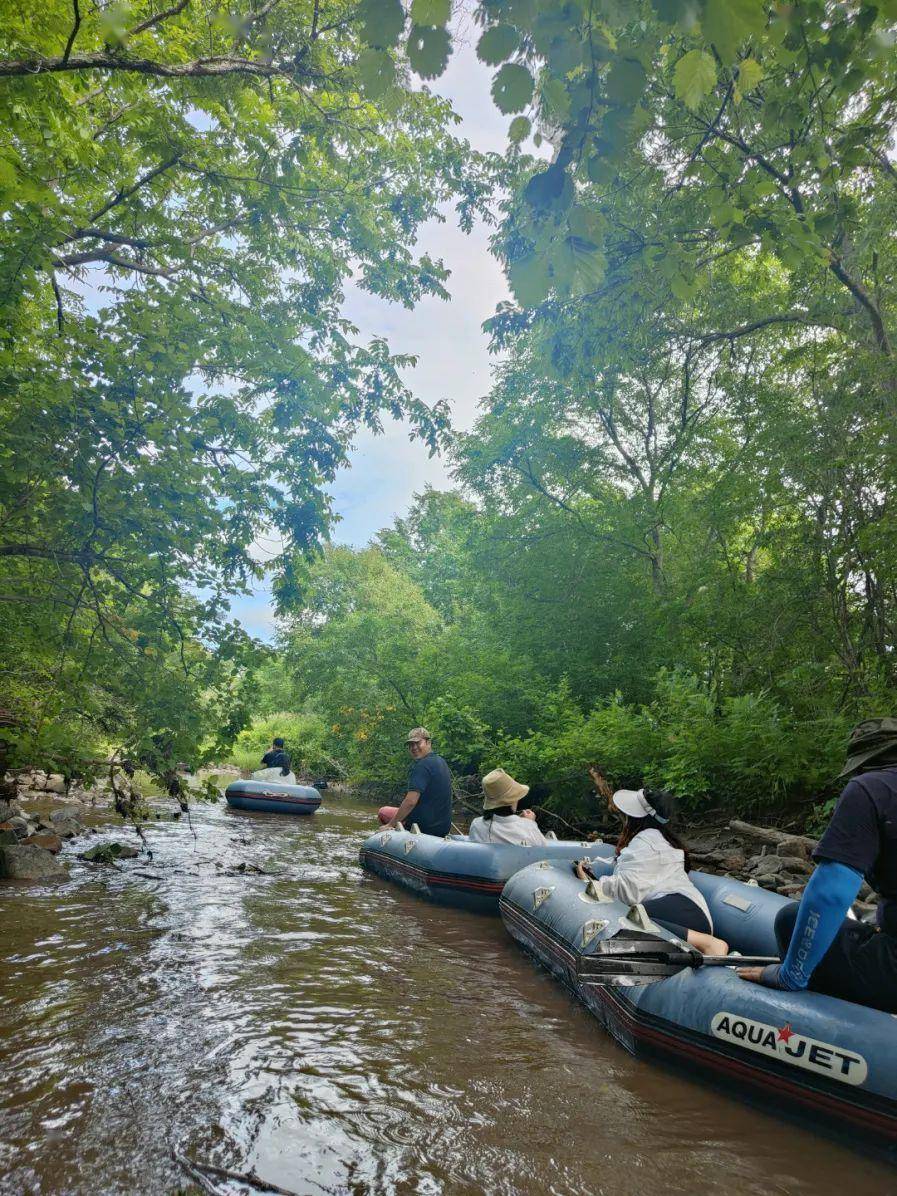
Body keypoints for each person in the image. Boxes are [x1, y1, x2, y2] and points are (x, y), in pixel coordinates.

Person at [738, 717, 897, 1013]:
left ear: (865, 762)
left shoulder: (869, 789)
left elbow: (830, 893)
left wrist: (791, 974)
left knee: (789, 918)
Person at [576, 786, 727, 956]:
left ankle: (708, 944)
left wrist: (594, 885)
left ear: (636, 818)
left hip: (682, 913)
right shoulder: (658, 838)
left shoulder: (646, 842)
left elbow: (629, 891)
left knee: (627, 918)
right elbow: (631, 868)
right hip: (693, 915)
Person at [382, 727, 453, 837]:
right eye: (411, 745)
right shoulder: (441, 761)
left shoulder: (422, 766)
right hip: (442, 828)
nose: (414, 747)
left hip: (424, 828)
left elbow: (410, 801)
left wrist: (390, 825)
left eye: (418, 743)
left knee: (383, 812)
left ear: (428, 742)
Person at [468, 769, 548, 846]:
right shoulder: (527, 826)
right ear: (511, 800)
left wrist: (521, 821)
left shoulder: (476, 825)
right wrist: (530, 823)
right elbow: (542, 849)